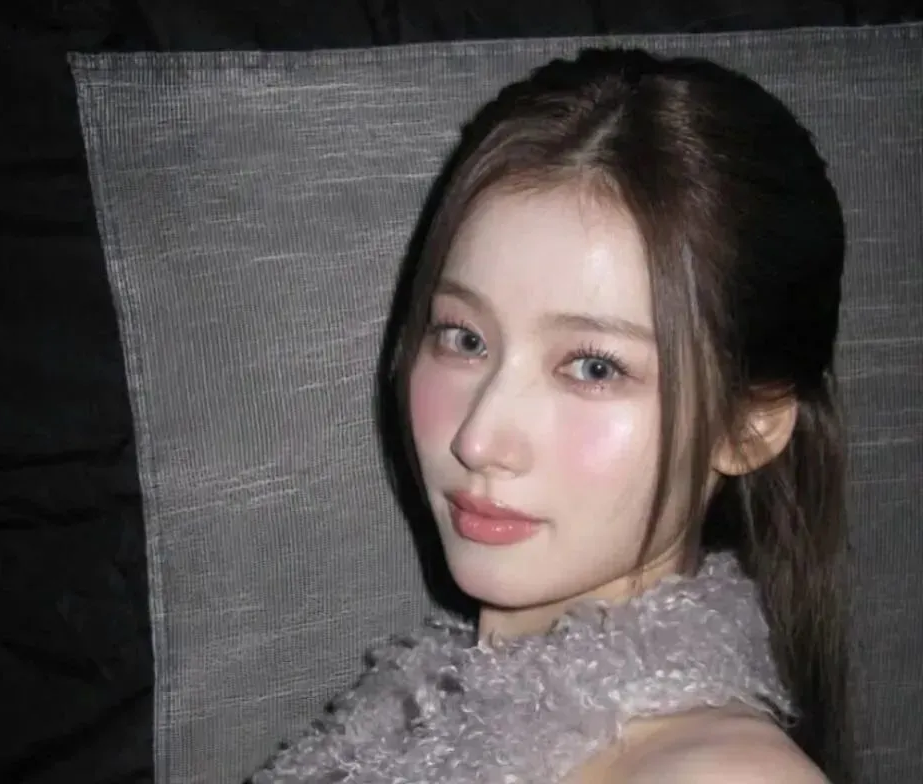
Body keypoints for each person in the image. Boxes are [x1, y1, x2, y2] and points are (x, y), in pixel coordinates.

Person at [253, 47, 850, 784]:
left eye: (594, 367)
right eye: (464, 338)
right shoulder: (416, 719)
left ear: (749, 425)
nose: (479, 439)